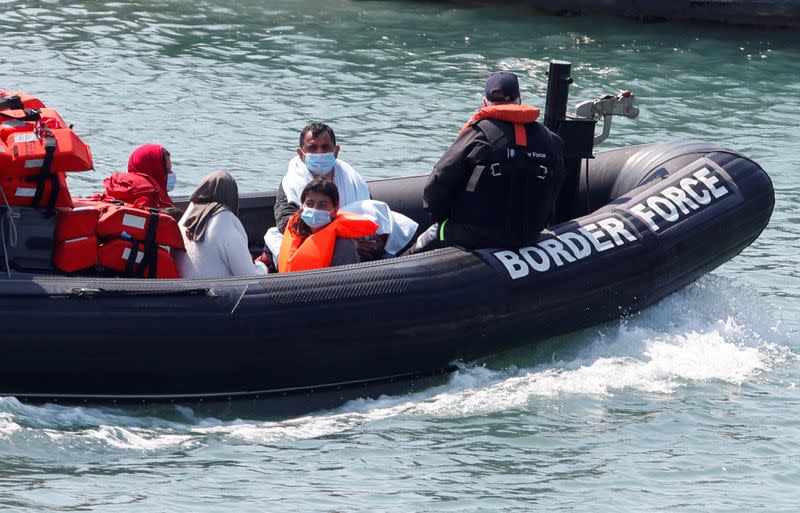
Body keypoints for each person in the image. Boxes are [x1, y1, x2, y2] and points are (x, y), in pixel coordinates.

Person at [411, 71, 565, 252]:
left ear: (485, 102)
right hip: (529, 235)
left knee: (429, 237)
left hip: (475, 235)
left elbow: (437, 185)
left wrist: (442, 216)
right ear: (519, 100)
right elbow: (555, 187)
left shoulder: (478, 135)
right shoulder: (551, 140)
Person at [273, 122, 370, 233]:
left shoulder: (353, 180)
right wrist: (334, 235)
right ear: (300, 154)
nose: (319, 152)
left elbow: (372, 215)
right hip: (307, 244)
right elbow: (285, 223)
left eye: (325, 147)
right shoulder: (290, 183)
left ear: (336, 151)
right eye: (312, 147)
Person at [174, 170, 268, 279]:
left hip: (184, 290)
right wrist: (263, 267)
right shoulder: (225, 221)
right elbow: (250, 279)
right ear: (232, 197)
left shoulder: (186, 217)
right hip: (218, 294)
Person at [278, 178, 378, 273]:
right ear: (302, 205)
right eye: (309, 203)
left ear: (334, 210)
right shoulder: (294, 229)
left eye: (322, 205)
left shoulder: (343, 246)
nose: (315, 209)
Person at [103, 144, 175, 209]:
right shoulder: (154, 194)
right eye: (167, 170)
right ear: (155, 169)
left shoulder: (113, 185)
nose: (171, 173)